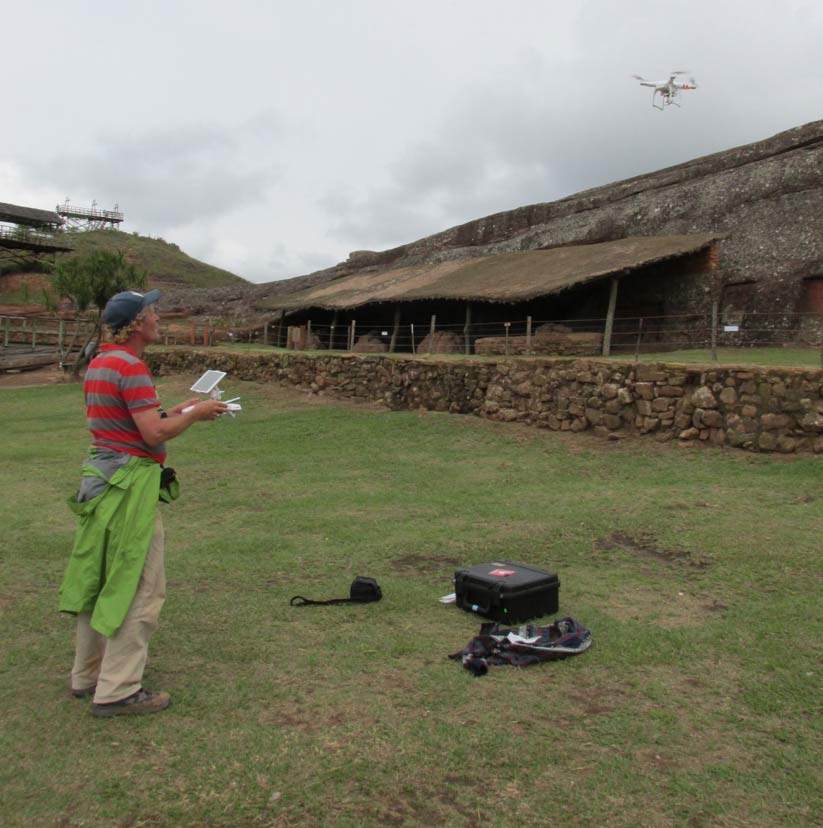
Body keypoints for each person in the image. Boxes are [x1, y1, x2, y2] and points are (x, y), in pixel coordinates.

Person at [59, 289, 227, 717]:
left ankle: (88, 674)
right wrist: (195, 415)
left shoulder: (101, 363)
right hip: (129, 487)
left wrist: (177, 409)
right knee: (140, 584)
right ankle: (118, 690)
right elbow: (152, 435)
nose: (159, 319)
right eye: (152, 313)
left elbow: (130, 423)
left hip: (100, 480)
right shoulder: (131, 366)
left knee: (100, 577)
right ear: (136, 323)